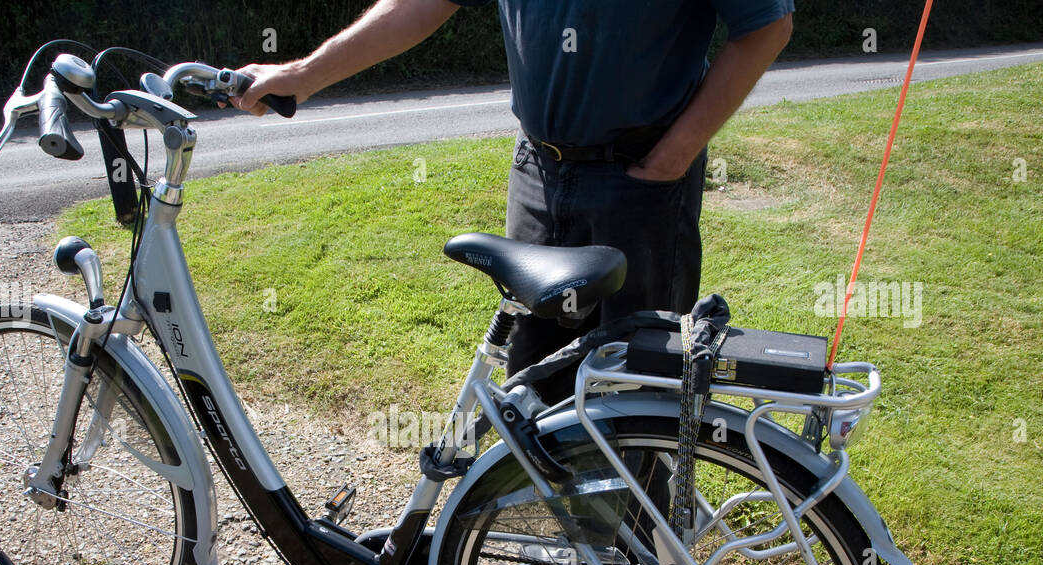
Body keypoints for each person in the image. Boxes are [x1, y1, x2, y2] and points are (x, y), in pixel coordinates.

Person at [234, 0, 794, 402]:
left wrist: (669, 160)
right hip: (539, 169)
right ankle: (541, 546)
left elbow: (766, 25)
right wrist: (303, 76)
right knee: (532, 377)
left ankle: (633, 556)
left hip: (640, 179)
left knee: (633, 383)